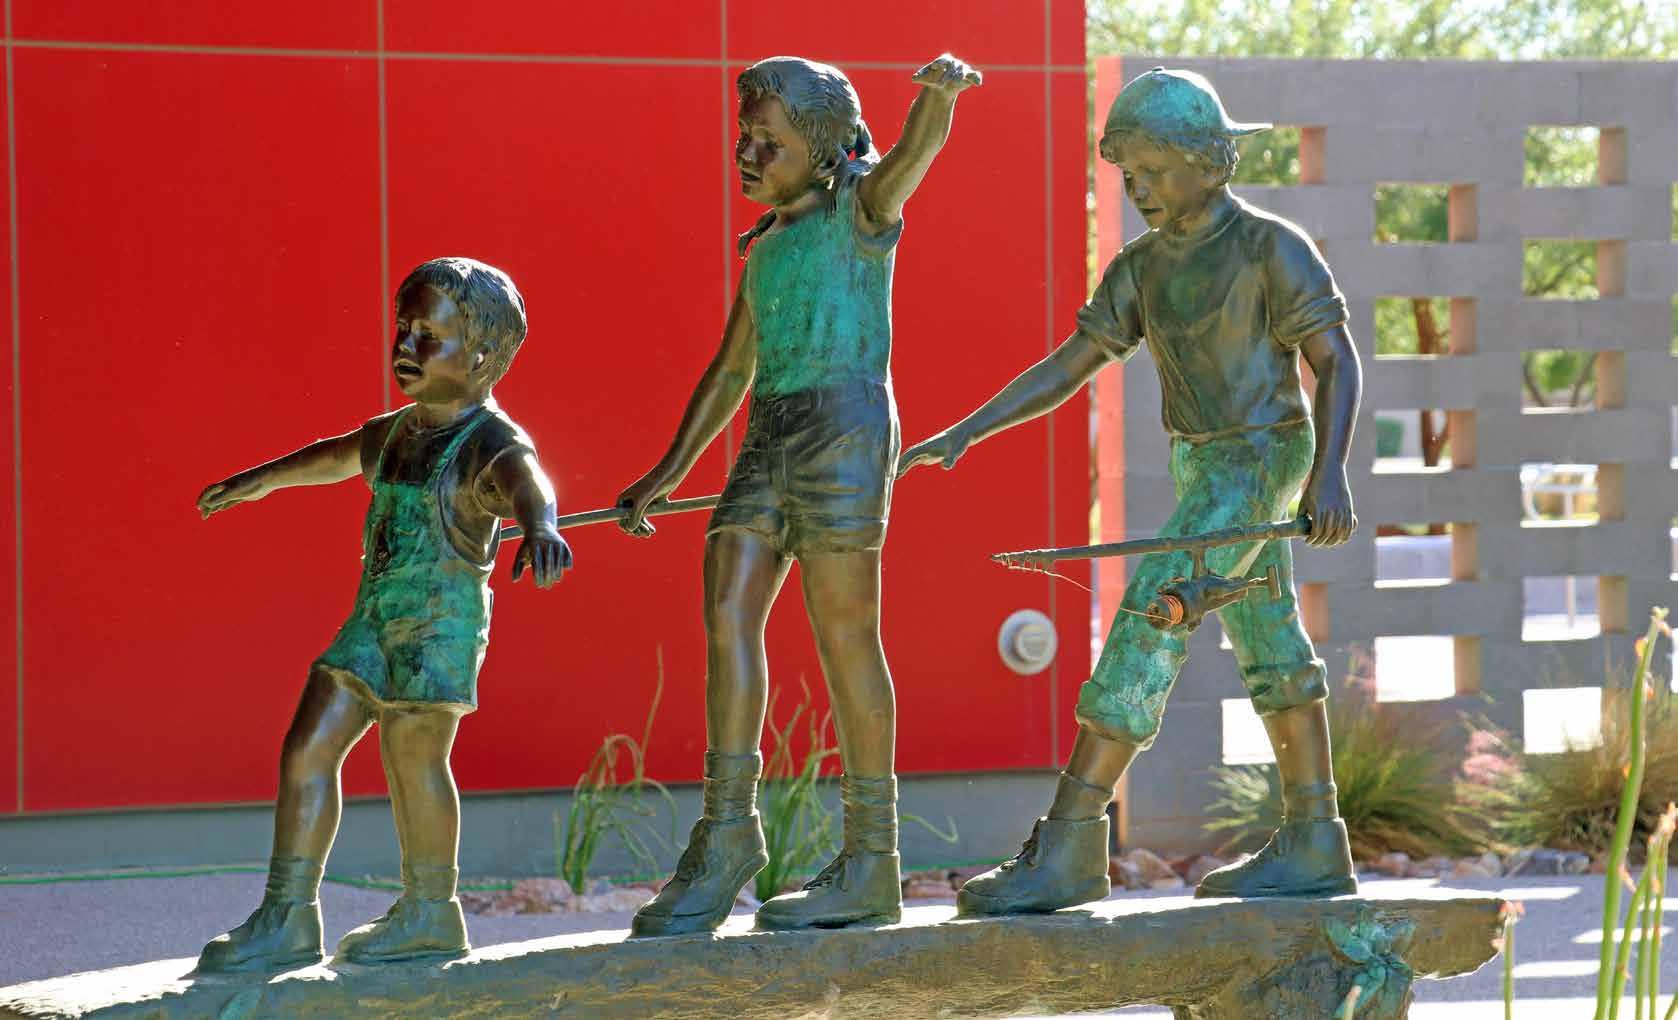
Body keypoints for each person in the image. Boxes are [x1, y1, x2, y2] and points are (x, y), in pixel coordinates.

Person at [900, 68, 1363, 912]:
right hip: (1203, 463)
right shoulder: (1141, 266)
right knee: (1268, 635)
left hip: (1263, 458)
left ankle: (1073, 840)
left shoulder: (1271, 247)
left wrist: (1329, 471)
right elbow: (1071, 364)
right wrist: (969, 429)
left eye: (1156, 170)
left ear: (1210, 161)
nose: (1139, 189)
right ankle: (1315, 839)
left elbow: (1336, 362)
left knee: (1157, 607)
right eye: (1128, 174)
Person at [616, 53, 980, 935]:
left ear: (821, 151)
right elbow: (730, 370)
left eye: (767, 142)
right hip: (769, 434)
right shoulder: (768, 246)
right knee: (727, 605)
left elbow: (912, 157)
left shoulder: (862, 211)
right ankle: (728, 832)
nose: (747, 154)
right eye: (743, 136)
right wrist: (667, 472)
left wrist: (937, 96)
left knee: (845, 633)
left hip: (845, 430)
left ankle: (872, 859)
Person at [195, 257, 571, 969]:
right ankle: (288, 915)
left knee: (413, 757)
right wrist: (261, 481)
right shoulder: (398, 431)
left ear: (481, 357)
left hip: (438, 629)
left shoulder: (489, 440)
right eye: (403, 327)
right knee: (308, 746)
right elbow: (335, 456)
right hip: (372, 621)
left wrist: (541, 527)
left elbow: (531, 483)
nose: (406, 344)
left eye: (429, 334)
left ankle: (432, 912)